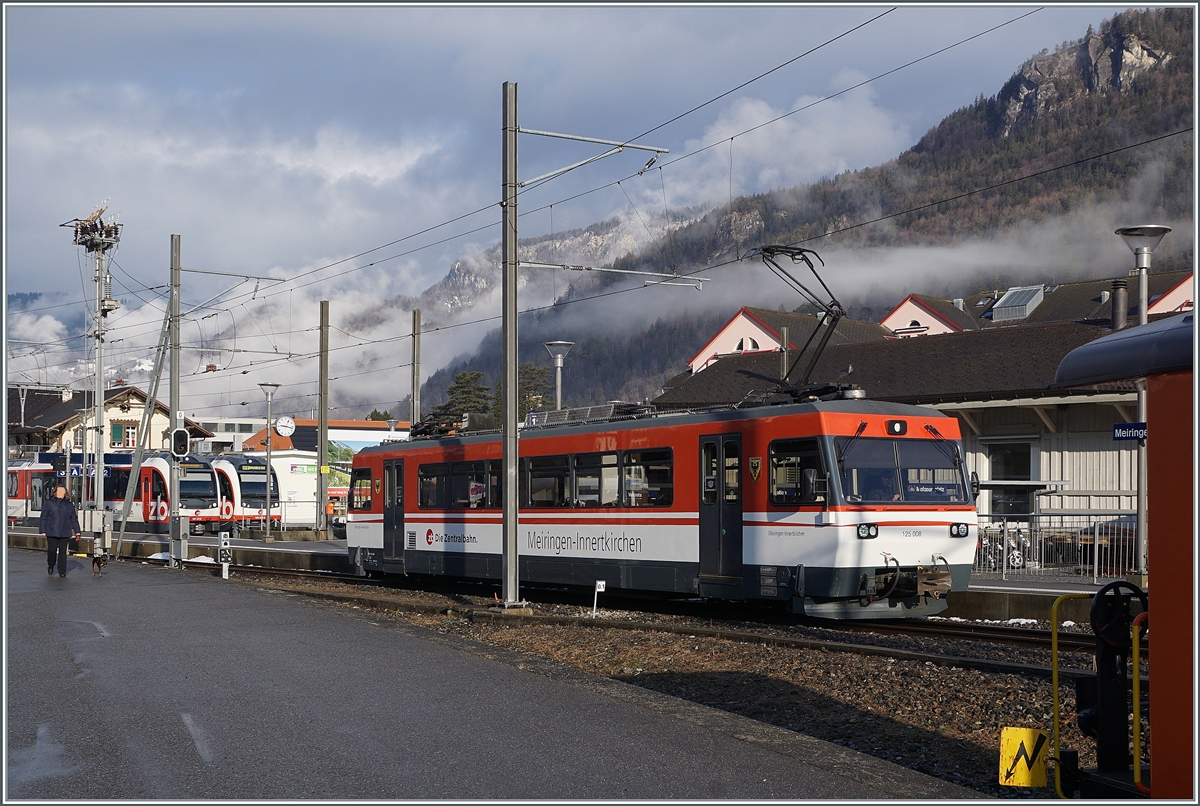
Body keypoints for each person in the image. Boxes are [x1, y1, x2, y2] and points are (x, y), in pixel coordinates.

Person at [40, 484, 81, 578]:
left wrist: (77, 531)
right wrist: (43, 530)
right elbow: (44, 517)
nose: (61, 493)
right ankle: (51, 564)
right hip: (51, 531)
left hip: (65, 532)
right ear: (55, 492)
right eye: (59, 491)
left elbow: (73, 518)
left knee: (63, 552)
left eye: (63, 492)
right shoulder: (49, 503)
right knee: (52, 551)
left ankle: (62, 571)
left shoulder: (69, 504)